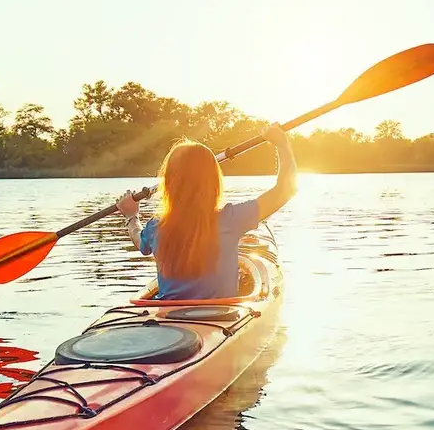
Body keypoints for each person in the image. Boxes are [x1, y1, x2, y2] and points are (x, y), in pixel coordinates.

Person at [115, 124, 297, 300]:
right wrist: (282, 144)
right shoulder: (231, 219)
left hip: (167, 318)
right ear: (213, 182)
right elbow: (285, 189)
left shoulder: (156, 227)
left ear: (169, 184)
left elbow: (140, 240)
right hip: (221, 317)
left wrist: (132, 216)